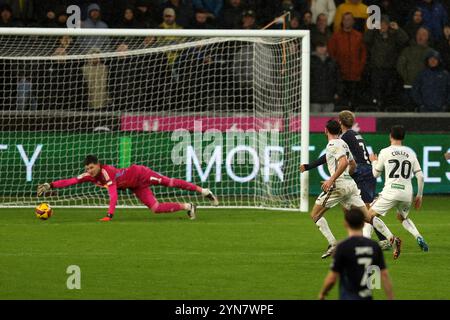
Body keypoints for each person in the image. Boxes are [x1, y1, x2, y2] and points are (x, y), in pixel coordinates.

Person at [306, 120, 401, 259]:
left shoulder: (332, 144)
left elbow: (344, 162)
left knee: (315, 214)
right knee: (368, 216)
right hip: (350, 185)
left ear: (326, 130)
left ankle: (333, 244)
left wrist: (332, 179)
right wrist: (345, 177)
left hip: (338, 185)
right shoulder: (343, 144)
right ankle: (392, 238)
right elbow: (353, 164)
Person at [37, 155, 219, 221]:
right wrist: (50, 185)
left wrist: (110, 214)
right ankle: (188, 207)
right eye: (87, 169)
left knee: (169, 182)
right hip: (135, 186)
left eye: (91, 167)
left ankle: (203, 191)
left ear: (98, 165)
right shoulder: (88, 176)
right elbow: (69, 181)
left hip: (141, 174)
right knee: (155, 209)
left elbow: (113, 194)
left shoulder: (106, 173)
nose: (89, 171)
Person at [369, 125, 429, 252]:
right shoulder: (411, 153)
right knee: (402, 217)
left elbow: (376, 174)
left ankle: (390, 239)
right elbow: (421, 177)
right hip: (407, 193)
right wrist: (419, 196)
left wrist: (374, 161)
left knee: (368, 215)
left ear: (390, 136)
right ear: (403, 137)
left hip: (391, 191)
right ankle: (418, 236)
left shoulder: (385, 152)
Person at [318, 208, 394, 300]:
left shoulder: (342, 247)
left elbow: (332, 278)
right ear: (363, 224)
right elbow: (381, 278)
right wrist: (390, 297)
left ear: (345, 224)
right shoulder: (374, 246)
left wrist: (323, 293)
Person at [363, 15, 409, 108]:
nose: (383, 26)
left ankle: (387, 108)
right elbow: (365, 39)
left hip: (390, 70)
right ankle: (376, 107)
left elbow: (405, 40)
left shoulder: (393, 35)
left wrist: (398, 29)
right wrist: (373, 28)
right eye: (381, 24)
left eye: (385, 24)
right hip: (377, 70)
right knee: (376, 92)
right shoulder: (374, 35)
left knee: (389, 93)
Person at [328, 12, 367, 108]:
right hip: (341, 77)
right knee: (342, 104)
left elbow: (363, 54)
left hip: (355, 76)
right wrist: (337, 70)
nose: (347, 22)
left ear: (353, 21)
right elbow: (331, 54)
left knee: (355, 103)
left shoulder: (359, 36)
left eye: (349, 19)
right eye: (345, 19)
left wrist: (359, 69)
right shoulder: (335, 36)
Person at [309, 41, 342, 113]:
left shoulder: (332, 62)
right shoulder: (309, 61)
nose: (321, 49)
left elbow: (337, 78)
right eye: (319, 47)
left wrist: (338, 92)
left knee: (328, 121)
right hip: (314, 99)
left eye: (323, 46)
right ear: (316, 48)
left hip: (329, 98)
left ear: (326, 48)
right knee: (314, 121)